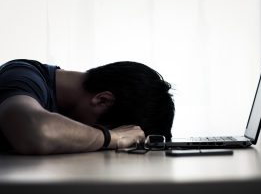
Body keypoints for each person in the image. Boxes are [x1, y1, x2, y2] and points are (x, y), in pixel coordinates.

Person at [0, 59, 175, 155]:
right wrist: (111, 137)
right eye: (99, 128)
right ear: (102, 100)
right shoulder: (22, 78)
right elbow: (37, 132)